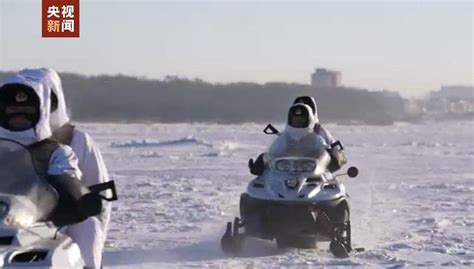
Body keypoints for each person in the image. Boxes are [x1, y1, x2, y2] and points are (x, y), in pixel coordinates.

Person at [17, 68, 112, 268]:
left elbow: (100, 193)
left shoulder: (77, 141)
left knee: (88, 226)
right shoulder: (8, 140)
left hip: (63, 223)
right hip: (15, 219)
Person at [0, 74, 102, 227]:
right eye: (13, 109)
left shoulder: (56, 152)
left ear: (40, 112)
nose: (19, 114)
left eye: (26, 109)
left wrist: (72, 196)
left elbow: (66, 180)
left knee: (88, 228)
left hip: (37, 228)